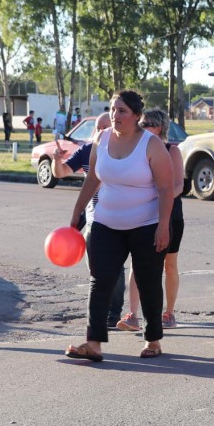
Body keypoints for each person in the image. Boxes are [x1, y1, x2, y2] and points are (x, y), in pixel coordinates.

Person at [63, 90, 174, 362]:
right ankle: (93, 343)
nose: (115, 115)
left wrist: (163, 226)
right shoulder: (101, 139)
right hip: (105, 223)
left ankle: (153, 340)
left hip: (146, 225)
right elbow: (92, 179)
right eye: (113, 109)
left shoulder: (151, 144)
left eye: (122, 110)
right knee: (100, 280)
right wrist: (77, 211)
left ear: (137, 116)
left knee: (148, 283)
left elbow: (166, 188)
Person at [53, 112, 127, 330]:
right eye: (98, 127)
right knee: (95, 268)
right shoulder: (87, 150)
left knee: (115, 268)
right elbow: (61, 172)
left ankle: (113, 313)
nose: (101, 131)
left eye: (106, 127)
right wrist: (57, 159)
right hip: (94, 217)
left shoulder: (123, 150)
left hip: (118, 217)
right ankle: (100, 310)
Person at [118, 110, 186, 330]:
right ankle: (132, 315)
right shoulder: (136, 150)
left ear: (159, 127)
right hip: (141, 214)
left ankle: (169, 313)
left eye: (147, 124)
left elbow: (178, 185)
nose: (142, 127)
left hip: (170, 214)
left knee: (169, 265)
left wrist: (160, 197)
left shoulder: (171, 150)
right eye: (141, 123)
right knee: (137, 263)